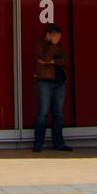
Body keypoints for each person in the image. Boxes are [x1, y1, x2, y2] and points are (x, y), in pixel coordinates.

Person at [33, 23, 72, 151]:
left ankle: (59, 143)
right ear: (48, 34)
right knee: (42, 113)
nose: (57, 40)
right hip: (45, 81)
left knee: (58, 114)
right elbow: (44, 57)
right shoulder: (40, 45)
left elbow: (66, 60)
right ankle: (38, 143)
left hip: (59, 82)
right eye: (55, 37)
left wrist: (52, 62)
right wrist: (54, 46)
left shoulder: (59, 46)